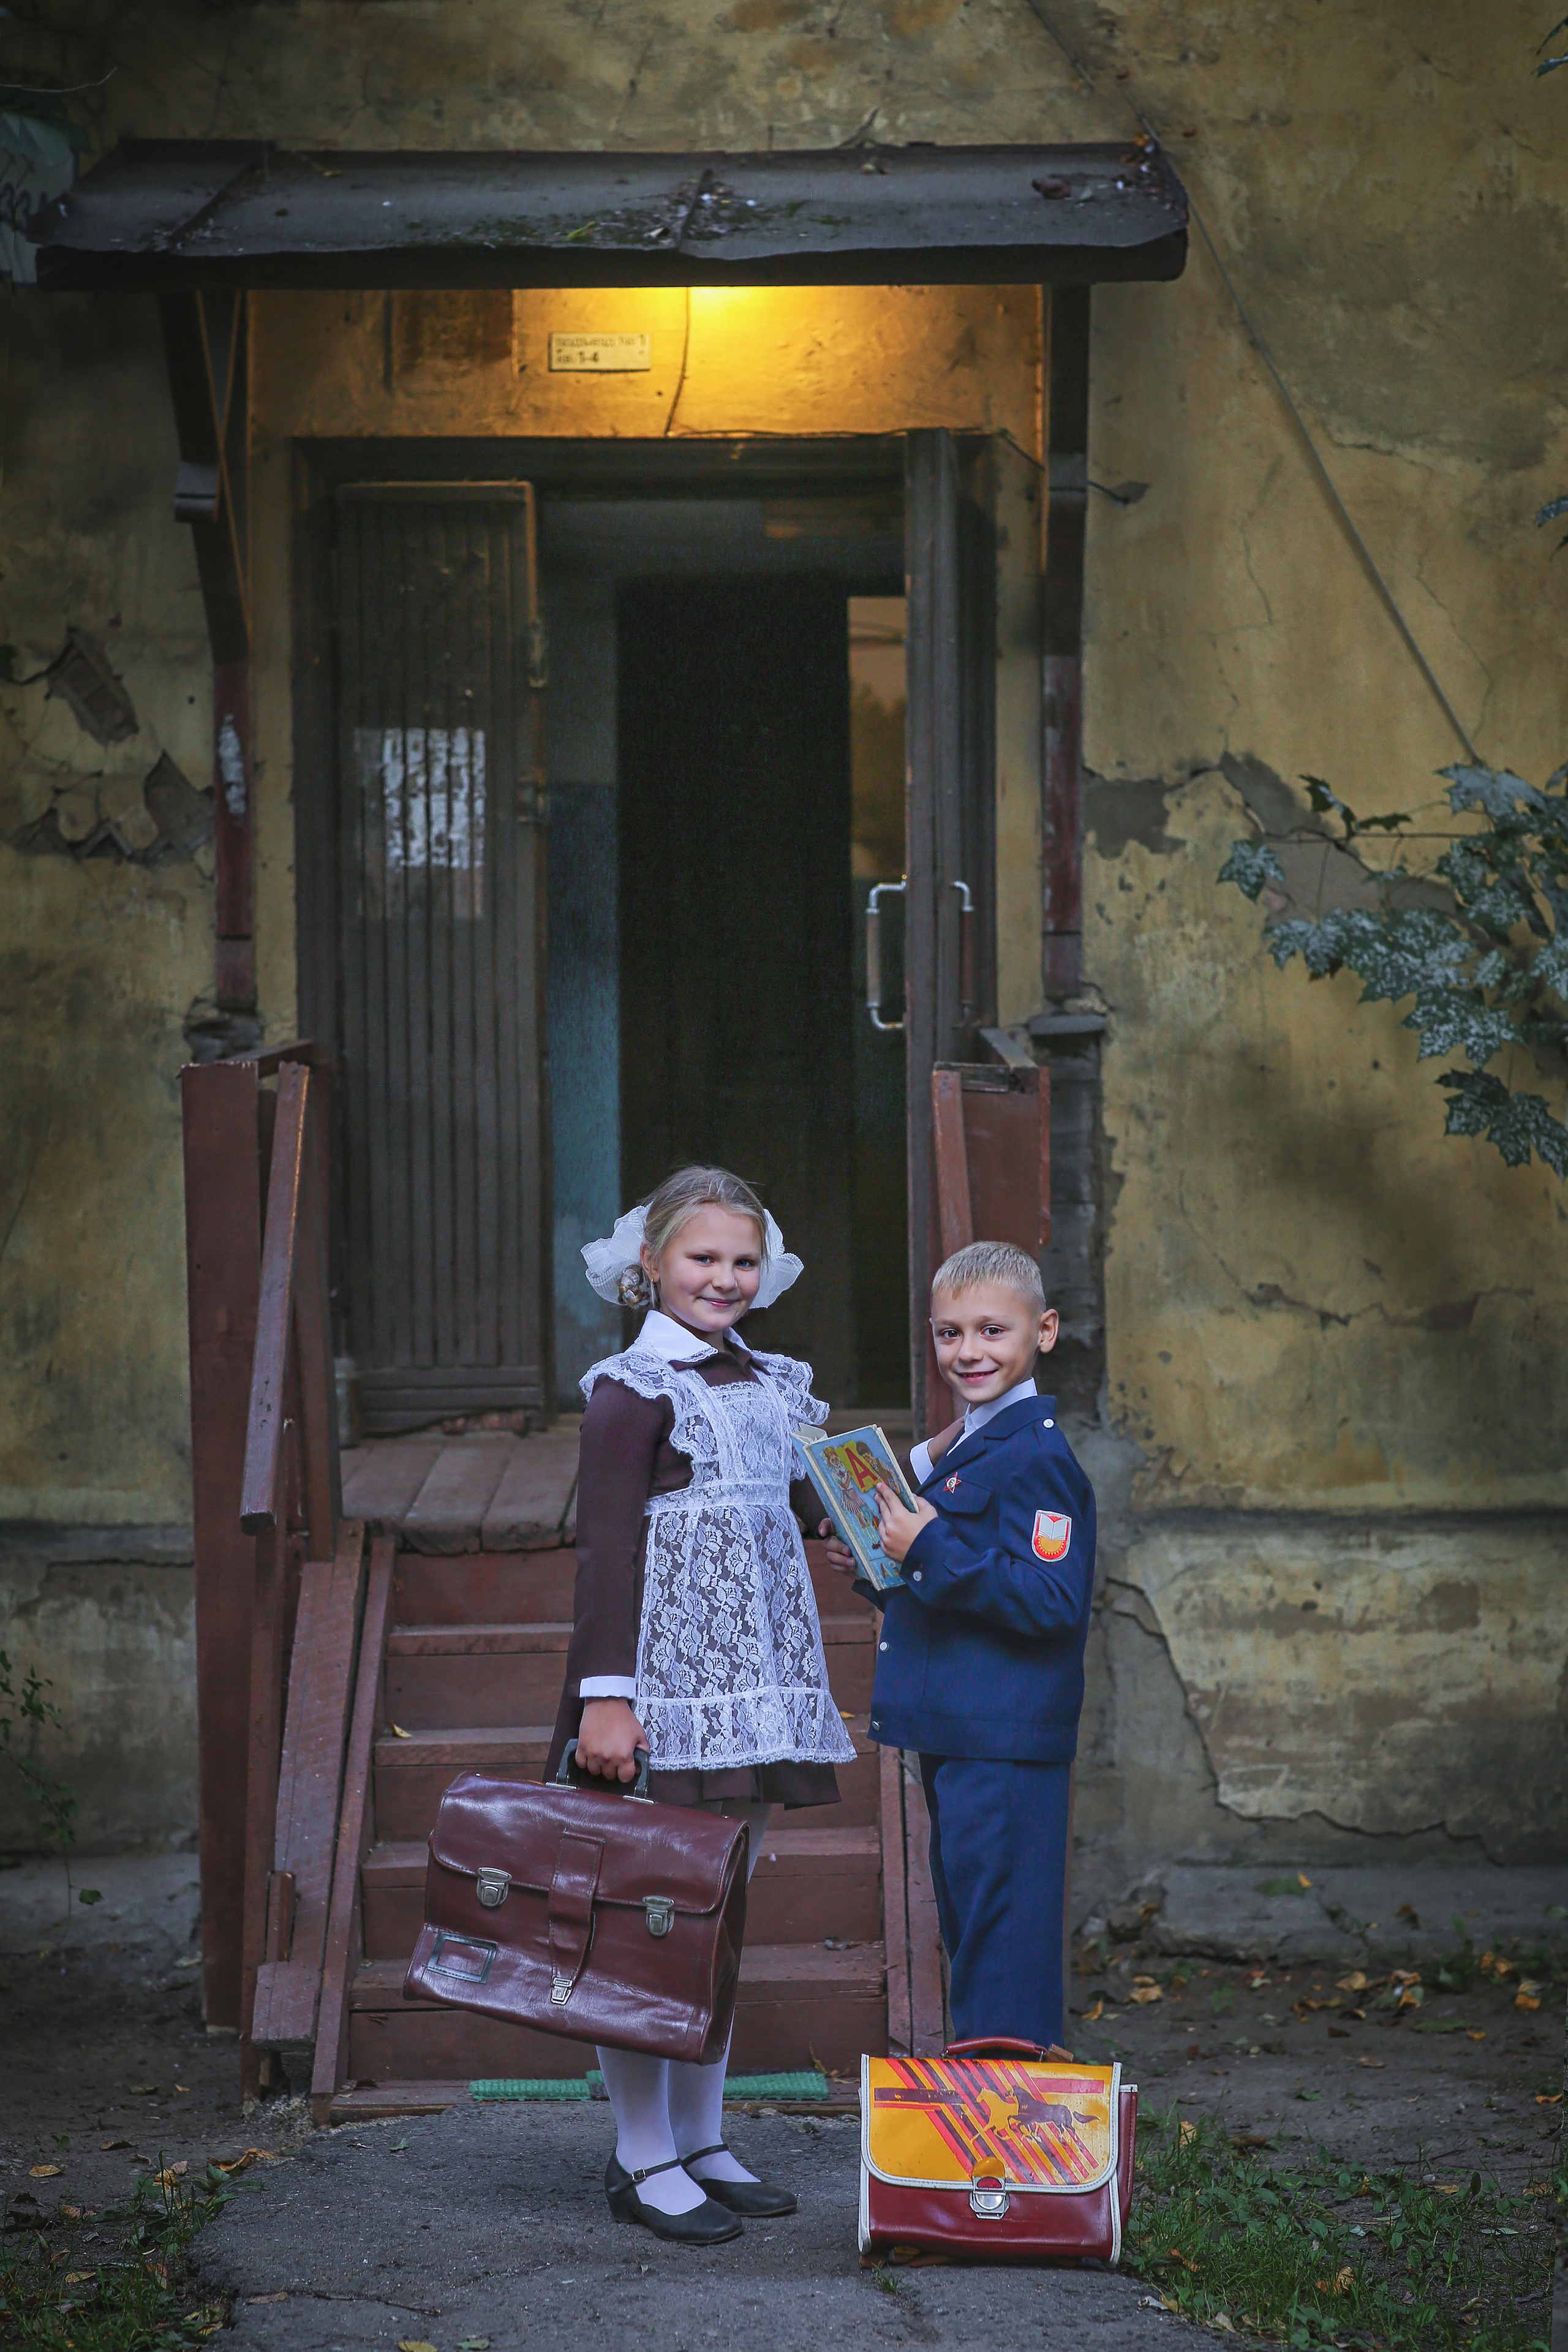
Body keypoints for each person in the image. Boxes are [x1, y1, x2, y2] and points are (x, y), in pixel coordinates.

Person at [546, 1166, 857, 2246]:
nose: (724, 1278)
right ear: (650, 1268)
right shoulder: (631, 1393)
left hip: (758, 1690)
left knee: (717, 1918)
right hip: (662, 1697)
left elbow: (824, 1495)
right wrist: (606, 1702)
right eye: (702, 1259)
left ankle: (703, 2135)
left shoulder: (772, 1381)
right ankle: (642, 2156)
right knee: (649, 1922)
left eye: (741, 1260)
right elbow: (608, 1553)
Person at [860, 1240, 1096, 2053]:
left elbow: (1052, 1599)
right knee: (975, 1934)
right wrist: (883, 1563)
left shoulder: (1036, 1456)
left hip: (1005, 1742)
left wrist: (925, 1550)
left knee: (1004, 1948)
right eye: (949, 1333)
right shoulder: (965, 1448)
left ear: (1046, 1330)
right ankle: (987, 2152)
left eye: (993, 1331)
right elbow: (962, 1583)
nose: (969, 1352)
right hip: (965, 1731)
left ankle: (1018, 2156)